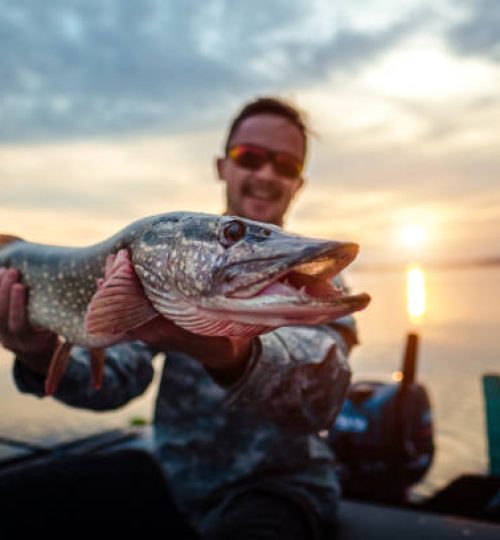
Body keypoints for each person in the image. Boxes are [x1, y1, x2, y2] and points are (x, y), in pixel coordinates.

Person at [0, 97, 359, 539]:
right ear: (222, 166)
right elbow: (113, 381)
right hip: (174, 481)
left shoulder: (315, 287)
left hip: (278, 489)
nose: (266, 175)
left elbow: (323, 398)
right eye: (250, 157)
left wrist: (235, 356)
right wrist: (39, 354)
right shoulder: (162, 268)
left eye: (284, 166)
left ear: (297, 184)